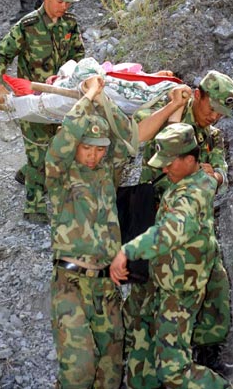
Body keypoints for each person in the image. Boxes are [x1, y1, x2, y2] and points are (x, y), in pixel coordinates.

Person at [44, 75, 191, 388]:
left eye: (100, 150)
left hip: (107, 288)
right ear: (75, 147)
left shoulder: (106, 173)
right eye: (88, 149)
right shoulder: (61, 174)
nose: (95, 156)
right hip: (71, 284)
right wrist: (89, 95)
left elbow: (133, 136)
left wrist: (170, 107)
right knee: (78, 371)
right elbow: (67, 135)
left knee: (109, 376)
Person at [120, 70, 233, 387]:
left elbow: (221, 177)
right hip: (158, 225)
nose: (213, 116)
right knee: (147, 299)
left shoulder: (211, 136)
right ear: (197, 94)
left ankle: (205, 356)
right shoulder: (167, 108)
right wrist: (171, 110)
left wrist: (212, 178)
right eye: (211, 108)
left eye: (220, 113)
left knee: (216, 294)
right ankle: (144, 368)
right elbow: (136, 135)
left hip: (197, 231)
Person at [0, 0, 85, 224]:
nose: (65, 6)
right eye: (61, 1)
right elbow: (0, 56)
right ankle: (33, 208)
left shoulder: (71, 24)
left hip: (61, 98)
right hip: (32, 100)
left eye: (68, 2)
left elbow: (78, 55)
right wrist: (1, 87)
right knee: (39, 153)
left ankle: (26, 173)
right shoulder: (27, 26)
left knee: (58, 145)